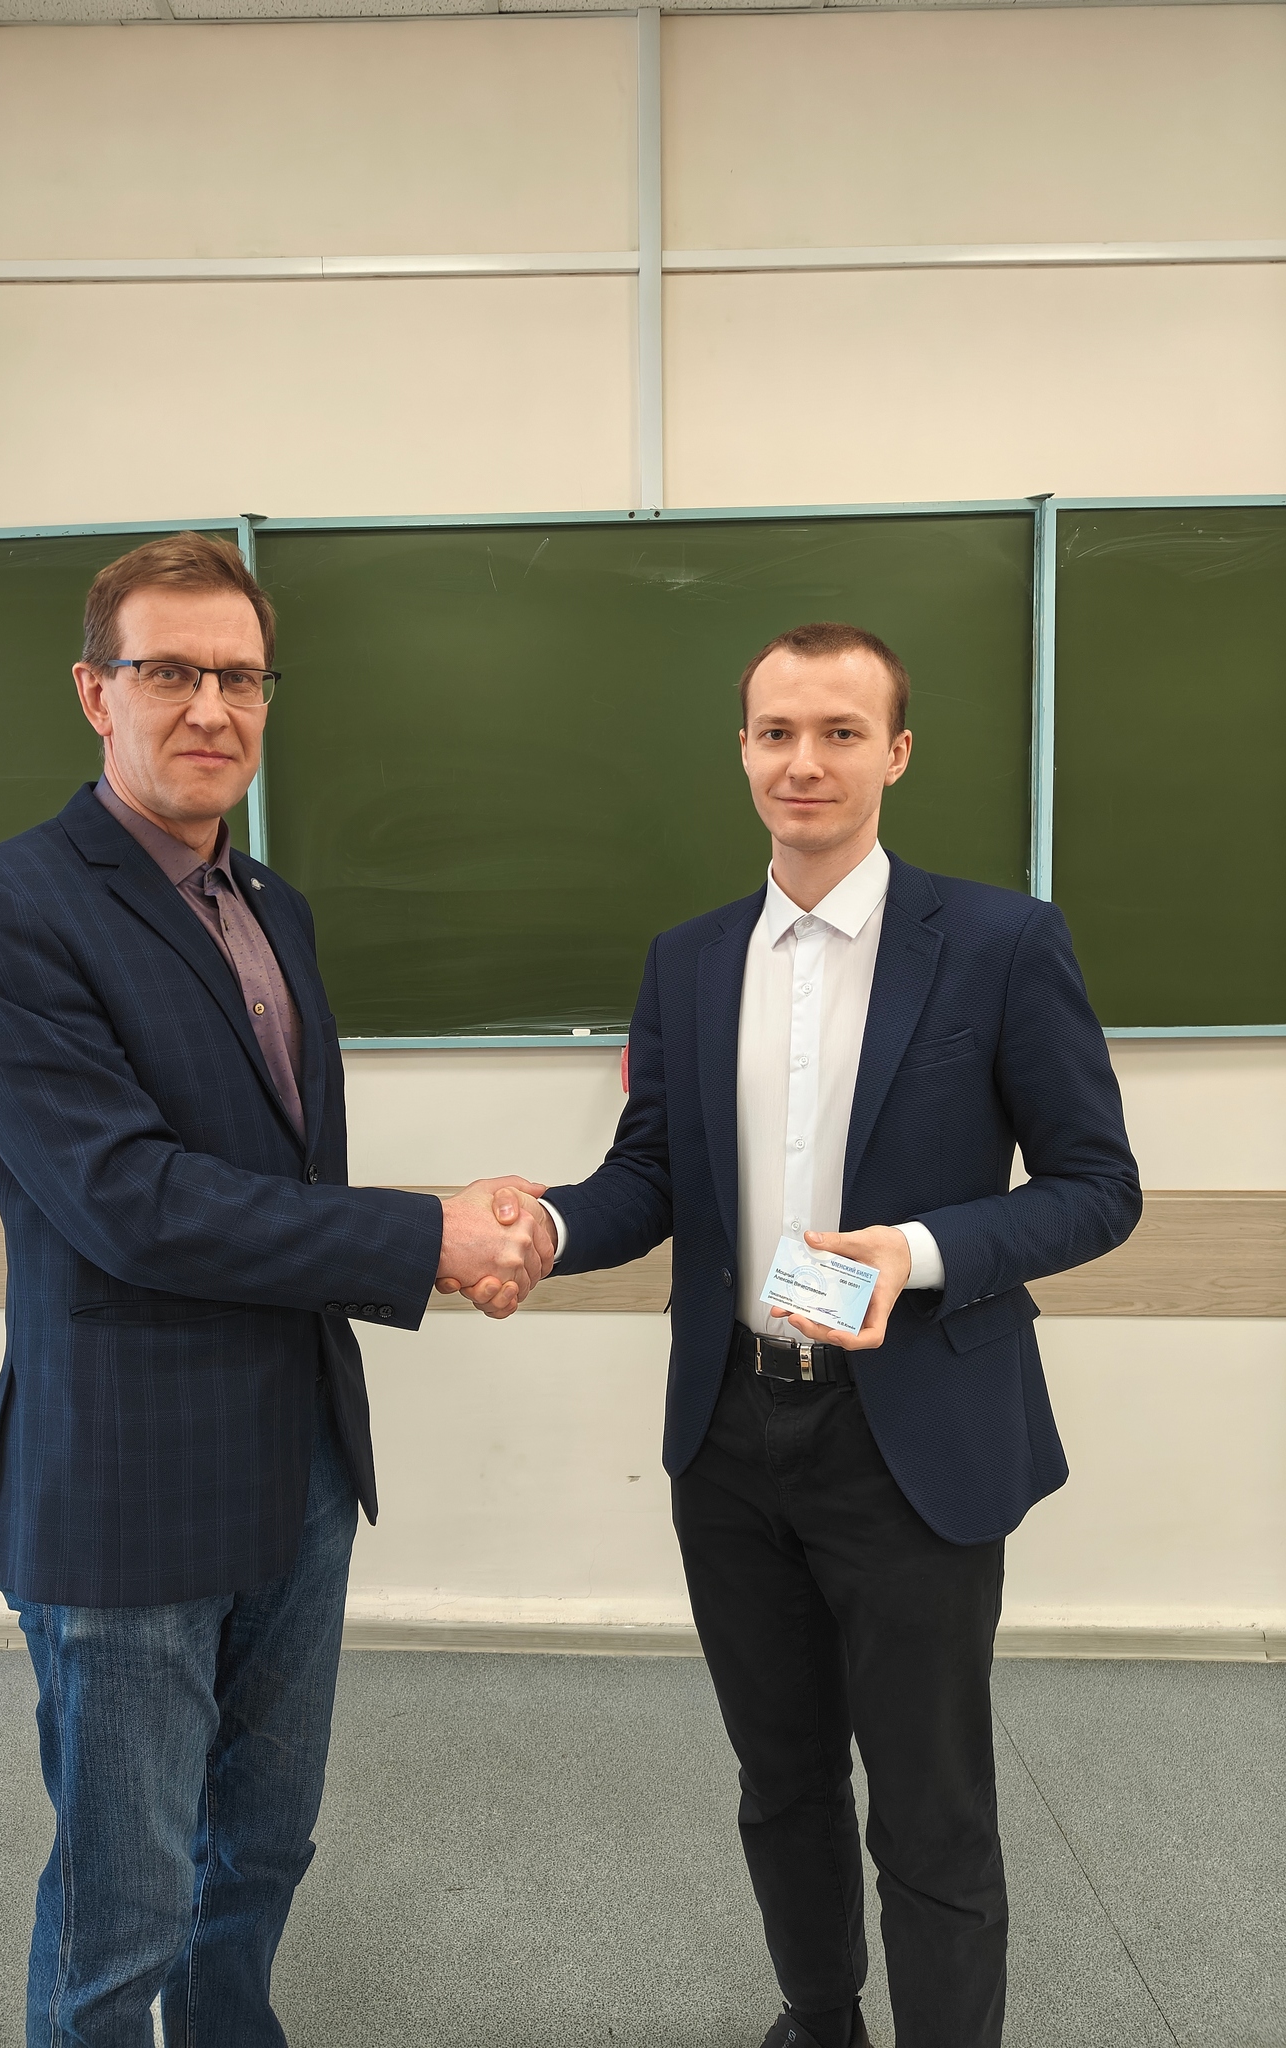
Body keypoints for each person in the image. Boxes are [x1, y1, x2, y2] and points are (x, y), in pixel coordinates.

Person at [462, 622, 1141, 2048]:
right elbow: (655, 1173)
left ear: (896, 753)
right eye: (777, 732)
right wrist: (550, 1229)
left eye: (841, 732)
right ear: (744, 753)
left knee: (932, 1804)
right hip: (730, 1430)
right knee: (781, 1781)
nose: (805, 761)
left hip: (909, 1432)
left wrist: (919, 1253)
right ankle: (819, 2017)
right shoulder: (691, 961)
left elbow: (1097, 1188)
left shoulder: (1001, 944)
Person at [0, 531, 551, 2048]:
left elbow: (276, 1177)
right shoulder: (0, 905)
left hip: (300, 1461)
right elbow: (128, 1201)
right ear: (97, 692)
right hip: (129, 1481)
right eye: (171, 673)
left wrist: (446, 1227)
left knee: (260, 1849)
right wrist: (425, 1238)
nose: (212, 707)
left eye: (243, 677)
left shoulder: (273, 905)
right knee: (121, 1901)